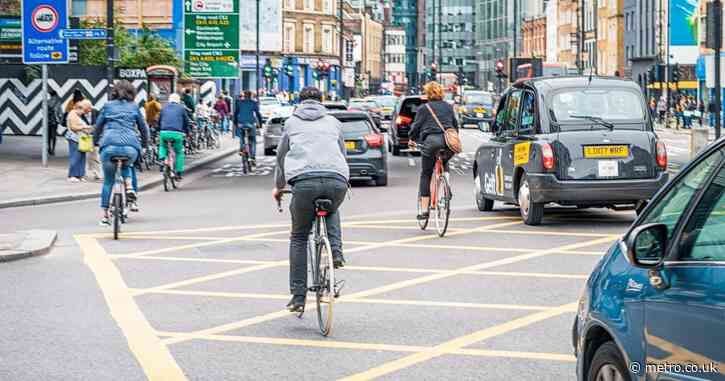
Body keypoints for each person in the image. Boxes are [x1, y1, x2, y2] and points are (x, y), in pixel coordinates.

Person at [272, 86, 349, 312]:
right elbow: (342, 154)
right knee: (332, 208)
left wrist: (279, 187)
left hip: (304, 183)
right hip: (337, 180)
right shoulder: (333, 122)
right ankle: (336, 252)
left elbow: (281, 157)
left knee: (298, 238)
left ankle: (298, 297)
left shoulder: (291, 123)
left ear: (299, 101)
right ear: (321, 101)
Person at [93, 80, 149, 225]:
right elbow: (143, 129)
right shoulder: (134, 107)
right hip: (130, 145)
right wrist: (144, 145)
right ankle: (129, 187)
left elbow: (98, 127)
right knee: (127, 164)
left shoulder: (107, 106)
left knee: (108, 182)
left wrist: (95, 142)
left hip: (109, 145)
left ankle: (105, 217)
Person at [408, 81, 458, 220]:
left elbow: (416, 127)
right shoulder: (448, 107)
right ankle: (446, 186)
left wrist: (412, 139)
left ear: (428, 93)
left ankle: (424, 210)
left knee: (426, 174)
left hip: (430, 143)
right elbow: (455, 125)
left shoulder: (424, 108)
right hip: (448, 142)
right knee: (445, 159)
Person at [158, 94, 191, 180]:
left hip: (164, 132)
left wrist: (159, 129)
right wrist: (187, 132)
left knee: (162, 146)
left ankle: (162, 159)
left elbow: (159, 120)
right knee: (179, 152)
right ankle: (179, 172)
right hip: (177, 134)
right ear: (178, 100)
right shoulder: (181, 108)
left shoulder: (164, 107)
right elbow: (186, 122)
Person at [66, 99, 94, 182]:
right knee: (75, 157)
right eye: (83, 111)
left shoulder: (77, 115)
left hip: (80, 139)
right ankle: (72, 175)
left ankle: (80, 175)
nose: (84, 113)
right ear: (78, 108)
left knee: (82, 157)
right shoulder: (72, 114)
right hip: (74, 139)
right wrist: (85, 127)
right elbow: (73, 127)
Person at [234, 91, 263, 165]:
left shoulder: (239, 103)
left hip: (241, 123)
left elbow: (236, 113)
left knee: (242, 137)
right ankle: (252, 157)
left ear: (244, 96)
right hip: (250, 123)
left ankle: (241, 149)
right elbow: (258, 114)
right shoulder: (254, 103)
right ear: (251, 96)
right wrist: (260, 124)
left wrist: (235, 123)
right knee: (253, 140)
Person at [47, 90, 62, 156]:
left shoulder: (47, 102)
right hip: (55, 121)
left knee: (48, 135)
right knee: (53, 135)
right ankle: (53, 149)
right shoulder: (58, 102)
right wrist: (60, 119)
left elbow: (43, 111)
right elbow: (60, 112)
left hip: (48, 121)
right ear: (55, 95)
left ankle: (49, 148)